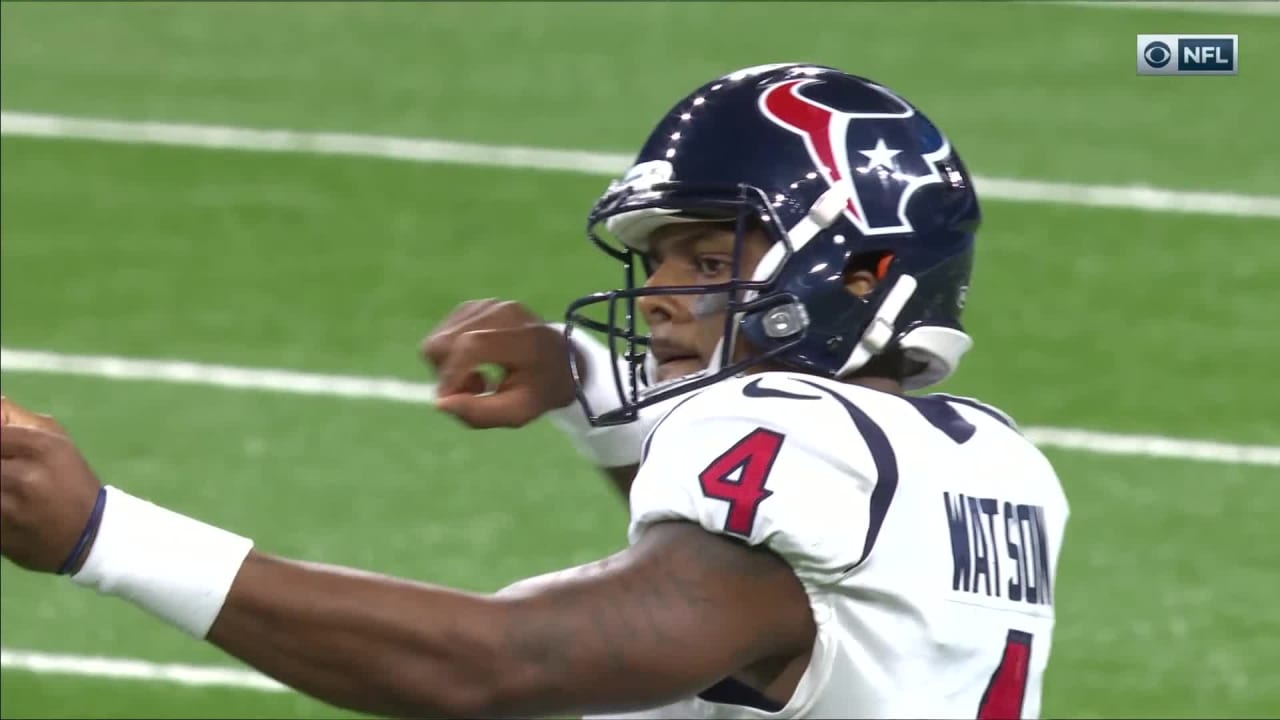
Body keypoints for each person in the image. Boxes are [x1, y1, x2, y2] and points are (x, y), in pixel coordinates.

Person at [0, 63, 1069, 719]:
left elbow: (496, 668)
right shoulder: (983, 459)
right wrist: (580, 378)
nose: (658, 297)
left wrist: (103, 536)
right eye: (657, 263)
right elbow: (730, 589)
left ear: (861, 277)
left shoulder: (800, 448)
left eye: (709, 261)